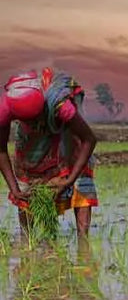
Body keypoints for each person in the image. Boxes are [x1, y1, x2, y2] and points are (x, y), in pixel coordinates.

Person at [0, 69, 98, 238]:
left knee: (78, 167)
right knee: (27, 166)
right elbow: (0, 149)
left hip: (65, 128)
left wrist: (69, 180)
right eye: (28, 121)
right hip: (30, 137)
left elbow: (88, 140)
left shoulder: (59, 105)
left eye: (36, 120)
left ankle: (83, 243)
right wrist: (14, 189)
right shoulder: (6, 107)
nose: (36, 125)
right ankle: (27, 239)